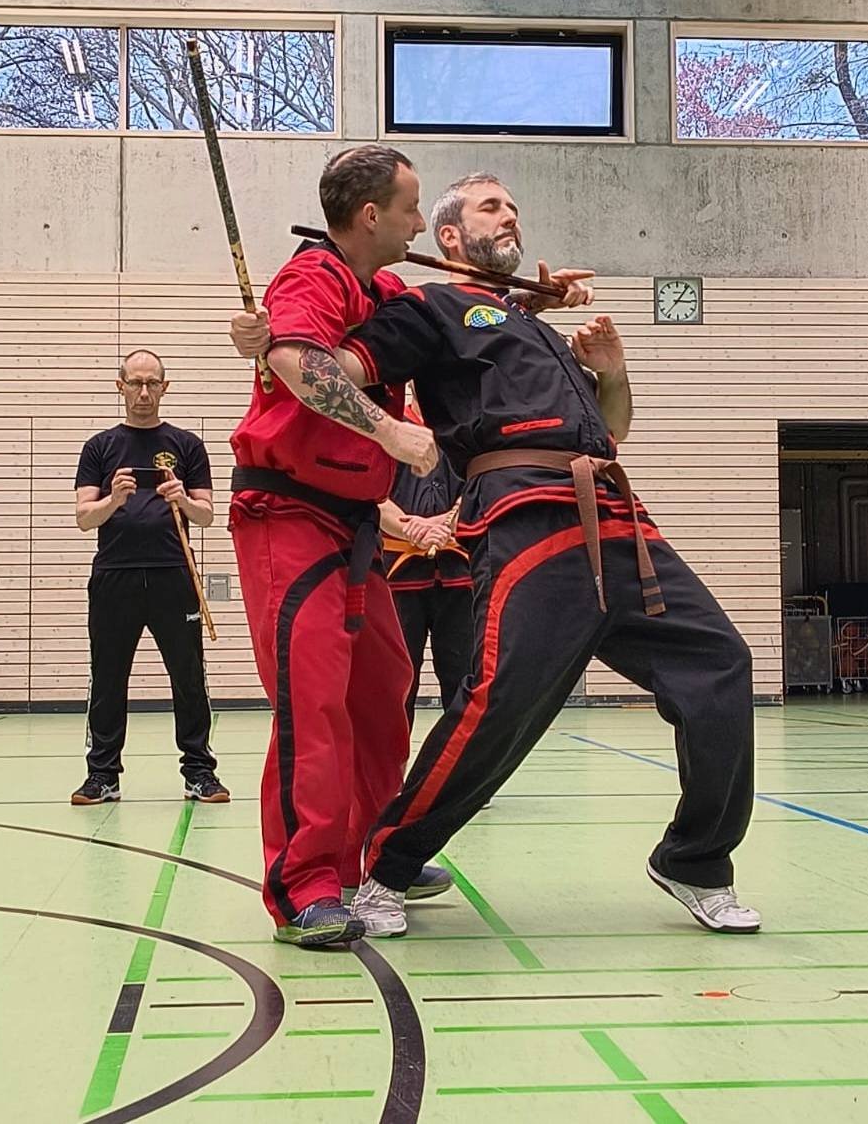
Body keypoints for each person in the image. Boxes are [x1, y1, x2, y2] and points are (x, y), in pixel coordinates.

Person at [233, 171, 759, 939]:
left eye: (515, 203)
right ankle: (364, 868)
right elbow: (321, 359)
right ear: (443, 235)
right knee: (472, 702)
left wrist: (607, 367)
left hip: (610, 511)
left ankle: (696, 857)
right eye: (489, 205)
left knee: (721, 664)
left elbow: (611, 430)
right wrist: (275, 347)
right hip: (497, 514)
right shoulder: (413, 300)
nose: (510, 212)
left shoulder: (525, 324)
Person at [228, 146, 453, 949]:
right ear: (369, 215)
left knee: (383, 688)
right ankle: (305, 882)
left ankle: (369, 853)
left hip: (356, 526)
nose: (419, 222)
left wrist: (541, 291)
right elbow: (292, 359)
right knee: (313, 702)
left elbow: (446, 307)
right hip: (288, 520)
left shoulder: (382, 288)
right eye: (410, 207)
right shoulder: (313, 277)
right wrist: (393, 428)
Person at [71, 349, 228, 807]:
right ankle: (102, 775)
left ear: (165, 386)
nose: (143, 392)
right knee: (107, 677)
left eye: (151, 383)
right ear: (120, 387)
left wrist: (182, 497)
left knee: (188, 677)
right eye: (134, 383)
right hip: (114, 577)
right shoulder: (99, 447)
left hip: (174, 576)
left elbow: (207, 515)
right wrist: (114, 500)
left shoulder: (187, 445)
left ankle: (199, 772)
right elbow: (84, 518)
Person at [378, 391, 473, 730]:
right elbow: (370, 493)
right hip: (397, 575)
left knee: (465, 683)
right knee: (395, 685)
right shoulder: (386, 424)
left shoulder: (466, 428)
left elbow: (479, 484)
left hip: (460, 575)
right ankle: (390, 778)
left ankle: (461, 776)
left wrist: (447, 523)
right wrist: (410, 528)